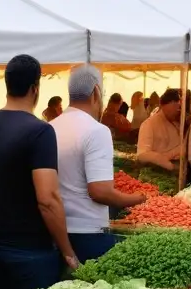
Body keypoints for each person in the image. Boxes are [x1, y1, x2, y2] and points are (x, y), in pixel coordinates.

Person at [0, 54, 78, 289]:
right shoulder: (40, 131)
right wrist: (68, 252)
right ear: (35, 89)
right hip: (31, 255)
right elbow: (47, 199)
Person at [51, 65, 146, 263]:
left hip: (56, 231)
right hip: (89, 233)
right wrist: (138, 199)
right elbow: (100, 191)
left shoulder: (51, 127)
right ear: (96, 91)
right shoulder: (96, 130)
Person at [135, 88, 183, 171]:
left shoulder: (178, 123)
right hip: (159, 171)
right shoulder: (149, 124)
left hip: (178, 167)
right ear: (167, 104)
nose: (178, 111)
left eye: (179, 107)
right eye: (176, 107)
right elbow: (142, 155)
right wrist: (168, 164)